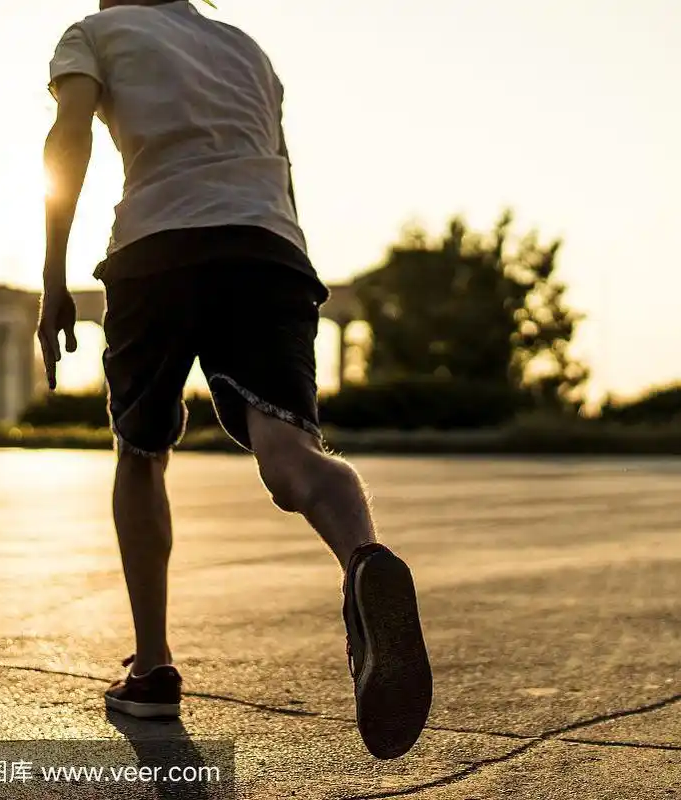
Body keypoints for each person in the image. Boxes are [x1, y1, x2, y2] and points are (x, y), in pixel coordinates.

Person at [37, 0, 432, 760]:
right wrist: (291, 269)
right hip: (268, 252)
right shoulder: (243, 47)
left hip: (159, 251)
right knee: (290, 459)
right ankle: (363, 561)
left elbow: (70, 137)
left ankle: (151, 669)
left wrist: (53, 275)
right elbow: (282, 173)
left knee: (141, 452)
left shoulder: (93, 34)